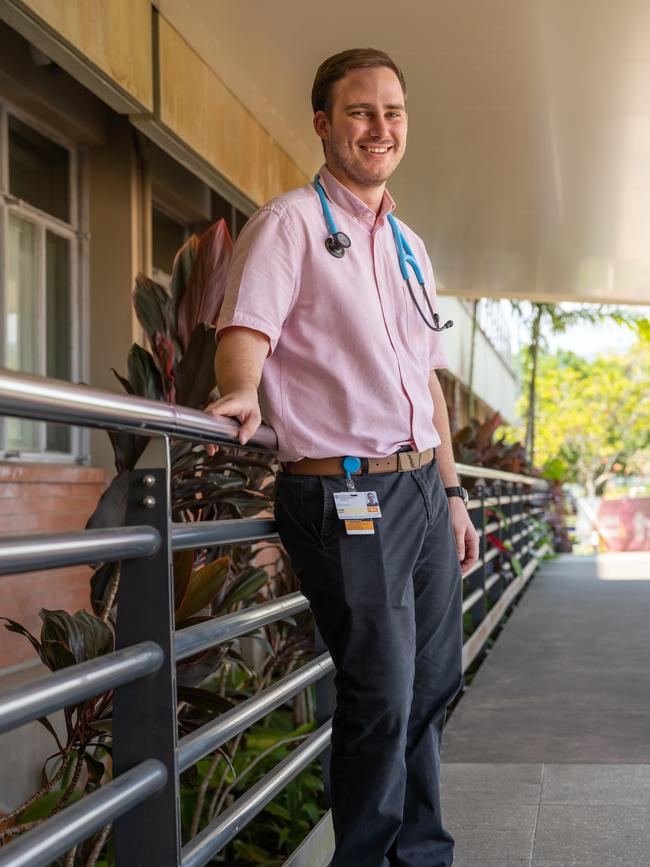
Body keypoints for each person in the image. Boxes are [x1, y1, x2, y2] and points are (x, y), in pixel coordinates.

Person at [206, 47, 479, 867]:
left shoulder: (408, 244)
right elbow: (245, 331)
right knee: (382, 692)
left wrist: (456, 491)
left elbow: (424, 382)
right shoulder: (289, 223)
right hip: (343, 493)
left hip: (422, 491)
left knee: (433, 681)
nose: (379, 127)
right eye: (361, 111)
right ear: (324, 123)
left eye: (392, 112)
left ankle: (420, 854)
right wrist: (242, 391)